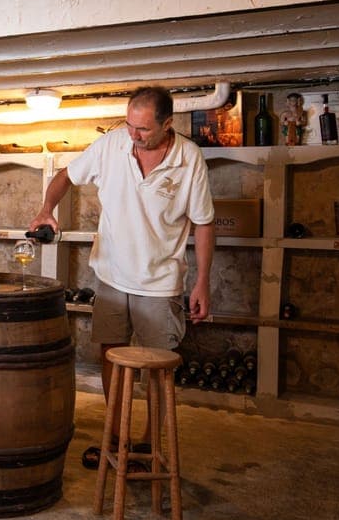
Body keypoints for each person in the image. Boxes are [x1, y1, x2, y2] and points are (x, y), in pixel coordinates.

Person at [28, 86, 215, 468]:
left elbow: (204, 223)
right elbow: (66, 175)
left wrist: (202, 282)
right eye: (130, 125)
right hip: (112, 277)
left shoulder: (189, 158)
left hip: (160, 282)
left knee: (159, 368)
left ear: (167, 124)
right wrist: (47, 209)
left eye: (144, 129)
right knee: (110, 356)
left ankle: (149, 444)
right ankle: (115, 436)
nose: (134, 135)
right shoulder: (112, 144)